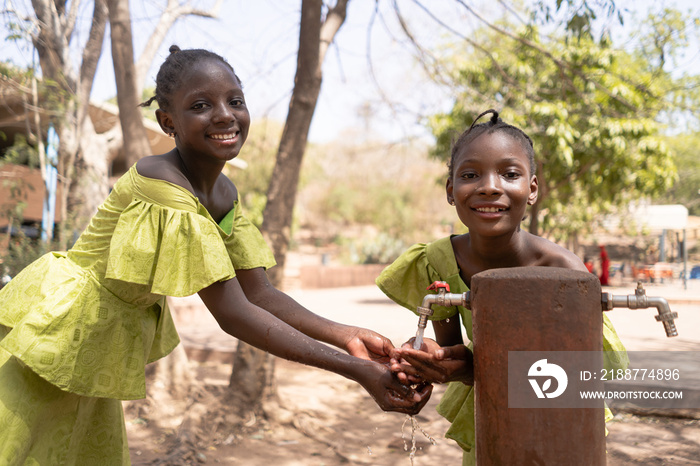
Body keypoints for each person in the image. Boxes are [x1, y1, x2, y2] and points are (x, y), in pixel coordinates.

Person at [0, 46, 430, 465]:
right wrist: (357, 371)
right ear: (168, 121)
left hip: (101, 345)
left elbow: (259, 294)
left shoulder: (224, 194)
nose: (224, 114)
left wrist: (348, 336)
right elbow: (233, 312)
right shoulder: (161, 184)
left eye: (235, 101)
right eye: (202, 105)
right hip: (61, 332)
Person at [375, 109, 628, 465]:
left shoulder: (562, 270)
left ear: (532, 189)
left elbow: (588, 371)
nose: (489, 186)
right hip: (490, 417)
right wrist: (432, 359)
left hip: (559, 418)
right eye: (469, 174)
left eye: (509, 174)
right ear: (451, 191)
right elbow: (459, 358)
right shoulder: (438, 263)